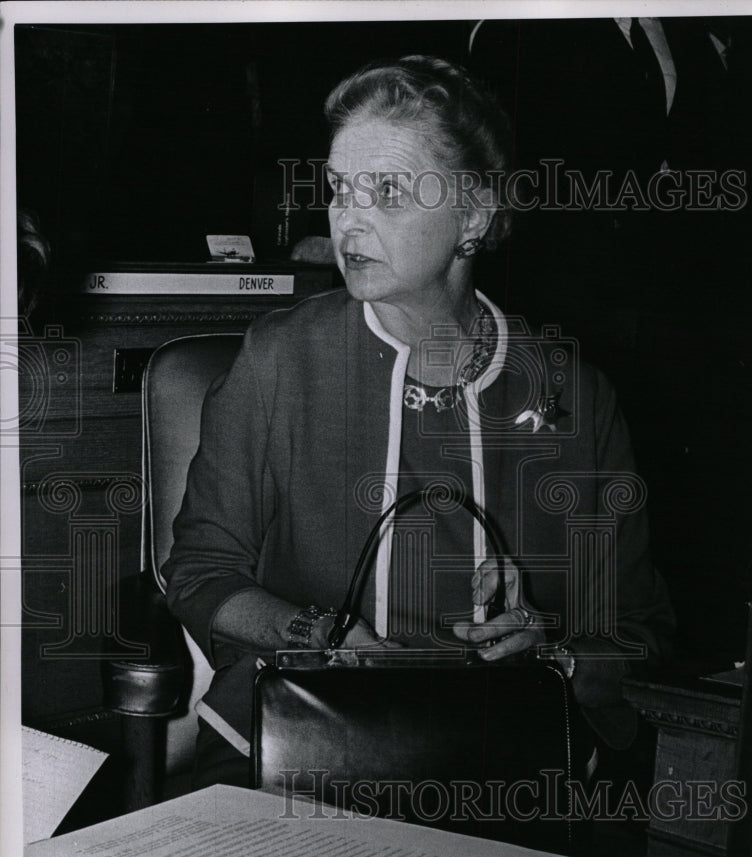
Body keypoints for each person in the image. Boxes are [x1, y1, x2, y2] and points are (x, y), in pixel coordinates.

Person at [163, 55, 674, 796]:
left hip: (501, 764)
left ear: (473, 214)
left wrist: (551, 650)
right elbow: (202, 574)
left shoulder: (575, 395)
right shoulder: (280, 357)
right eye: (340, 191)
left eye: (388, 192)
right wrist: (322, 636)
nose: (349, 220)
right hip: (289, 743)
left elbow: (640, 632)